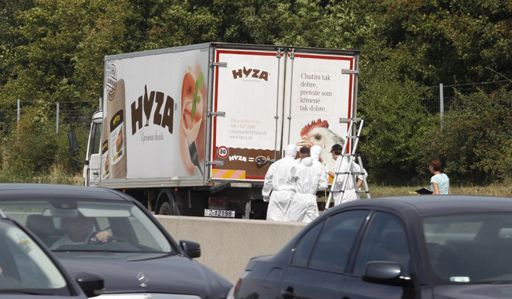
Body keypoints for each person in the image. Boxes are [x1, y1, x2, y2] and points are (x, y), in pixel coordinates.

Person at [287, 146, 328, 223]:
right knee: (313, 224)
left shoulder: (296, 165)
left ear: (300, 154)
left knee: (292, 223)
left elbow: (290, 180)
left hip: (299, 197)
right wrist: (314, 187)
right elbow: (324, 185)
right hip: (311, 197)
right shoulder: (318, 165)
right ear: (309, 153)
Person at [262, 144, 298, 221]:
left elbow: (268, 180)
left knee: (273, 220)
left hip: (276, 194)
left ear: (285, 152)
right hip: (291, 195)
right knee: (289, 220)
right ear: (295, 153)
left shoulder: (276, 164)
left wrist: (266, 194)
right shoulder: (298, 165)